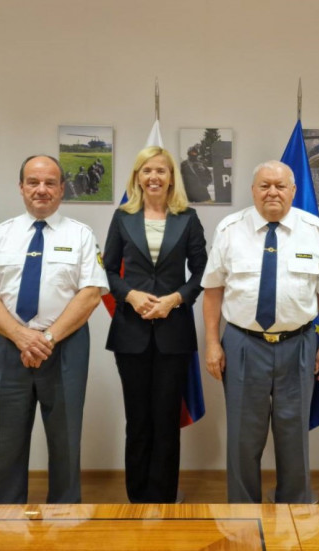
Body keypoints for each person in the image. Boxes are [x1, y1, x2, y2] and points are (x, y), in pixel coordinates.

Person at [0, 154, 108, 504]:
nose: (41, 190)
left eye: (50, 183)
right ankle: (6, 523)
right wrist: (20, 336)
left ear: (62, 189)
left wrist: (46, 338)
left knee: (65, 446)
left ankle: (65, 524)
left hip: (65, 348)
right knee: (6, 446)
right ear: (21, 187)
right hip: (10, 348)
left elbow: (90, 294)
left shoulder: (81, 235)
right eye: (33, 182)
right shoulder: (0, 235)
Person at [202, 160, 319, 504]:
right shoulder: (230, 228)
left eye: (280, 186)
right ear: (253, 191)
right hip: (243, 343)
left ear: (294, 191)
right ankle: (242, 515)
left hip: (300, 344)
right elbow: (213, 289)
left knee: (294, 436)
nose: (272, 192)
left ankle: (294, 511)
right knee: (243, 438)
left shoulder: (314, 229)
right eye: (265, 186)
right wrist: (213, 343)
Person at [103, 146, 207, 503]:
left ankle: (162, 500)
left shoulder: (187, 218)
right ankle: (137, 498)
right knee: (138, 420)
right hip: (130, 332)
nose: (154, 177)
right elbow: (105, 270)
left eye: (161, 171)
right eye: (146, 170)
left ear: (171, 178)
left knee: (165, 421)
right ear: (137, 177)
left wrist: (175, 299)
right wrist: (130, 295)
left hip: (173, 332)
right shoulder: (122, 217)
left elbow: (203, 271)